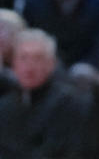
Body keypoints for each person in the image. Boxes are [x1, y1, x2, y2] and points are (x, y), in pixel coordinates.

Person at [0, 27, 90, 159]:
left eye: (38, 58)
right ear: (14, 64)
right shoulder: (5, 106)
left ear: (51, 64)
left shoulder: (71, 103)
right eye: (23, 58)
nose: (29, 66)